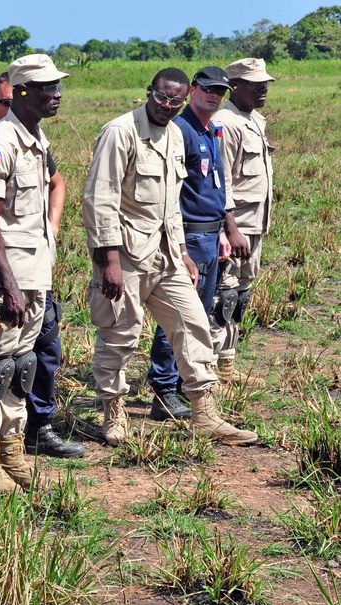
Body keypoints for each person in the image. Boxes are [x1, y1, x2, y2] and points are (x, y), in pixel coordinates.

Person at [82, 67, 257, 447]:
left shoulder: (177, 134)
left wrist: (182, 253)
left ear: (183, 100)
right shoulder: (120, 132)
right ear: (150, 92)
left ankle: (205, 413)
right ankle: (114, 411)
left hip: (166, 255)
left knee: (193, 323)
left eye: (175, 101)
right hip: (126, 254)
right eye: (162, 97)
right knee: (120, 335)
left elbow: (170, 207)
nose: (167, 105)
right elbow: (99, 200)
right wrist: (108, 260)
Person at [0, 55, 84, 498]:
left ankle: (11, 448)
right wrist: (9, 286)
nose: (55, 94)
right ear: (20, 92)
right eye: (45, 87)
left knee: (22, 366)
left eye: (57, 86)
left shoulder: (36, 138)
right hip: (7, 279)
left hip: (36, 273)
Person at [146, 66, 246, 421]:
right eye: (206, 89)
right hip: (187, 235)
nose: (213, 96)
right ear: (192, 90)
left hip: (208, 234)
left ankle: (183, 387)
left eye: (220, 91)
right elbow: (172, 193)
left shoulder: (210, 130)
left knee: (198, 316)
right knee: (177, 317)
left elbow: (214, 187)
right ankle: (163, 389)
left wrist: (222, 228)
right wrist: (182, 247)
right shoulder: (181, 130)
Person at [211, 58, 276, 387]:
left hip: (255, 225)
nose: (263, 89)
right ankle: (207, 373)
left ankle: (227, 365)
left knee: (240, 297)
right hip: (236, 227)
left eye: (265, 83)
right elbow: (221, 182)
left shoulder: (253, 119)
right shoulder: (225, 123)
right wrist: (229, 228)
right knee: (223, 297)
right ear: (234, 86)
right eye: (255, 85)